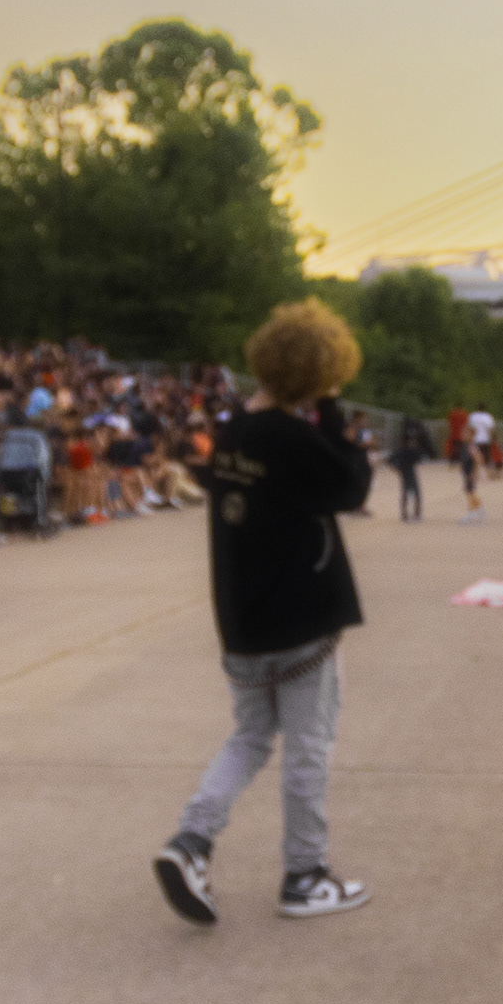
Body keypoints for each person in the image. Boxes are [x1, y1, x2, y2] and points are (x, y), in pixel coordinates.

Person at [152, 300, 374, 927]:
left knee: (250, 736)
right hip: (300, 619)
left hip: (242, 619)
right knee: (309, 747)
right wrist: (328, 408)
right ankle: (305, 875)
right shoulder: (293, 438)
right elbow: (351, 484)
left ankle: (191, 841)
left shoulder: (234, 433)